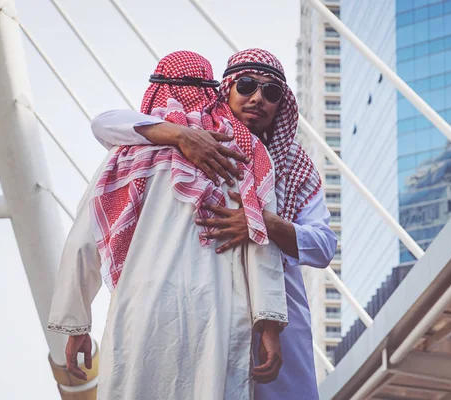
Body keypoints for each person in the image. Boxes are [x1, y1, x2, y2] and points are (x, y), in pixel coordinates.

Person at [91, 48, 337, 400]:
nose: (257, 98)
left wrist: (262, 222)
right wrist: (180, 136)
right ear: (226, 89)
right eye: (247, 85)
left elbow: (324, 246)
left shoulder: (296, 165)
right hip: (208, 307)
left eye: (271, 93)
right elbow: (104, 123)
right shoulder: (199, 141)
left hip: (280, 314)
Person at [47, 51, 289, 400]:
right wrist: (269, 328)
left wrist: (76, 324)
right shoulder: (243, 152)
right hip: (217, 309)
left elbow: (83, 242)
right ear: (215, 92)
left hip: (140, 305)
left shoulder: (124, 155)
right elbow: (259, 243)